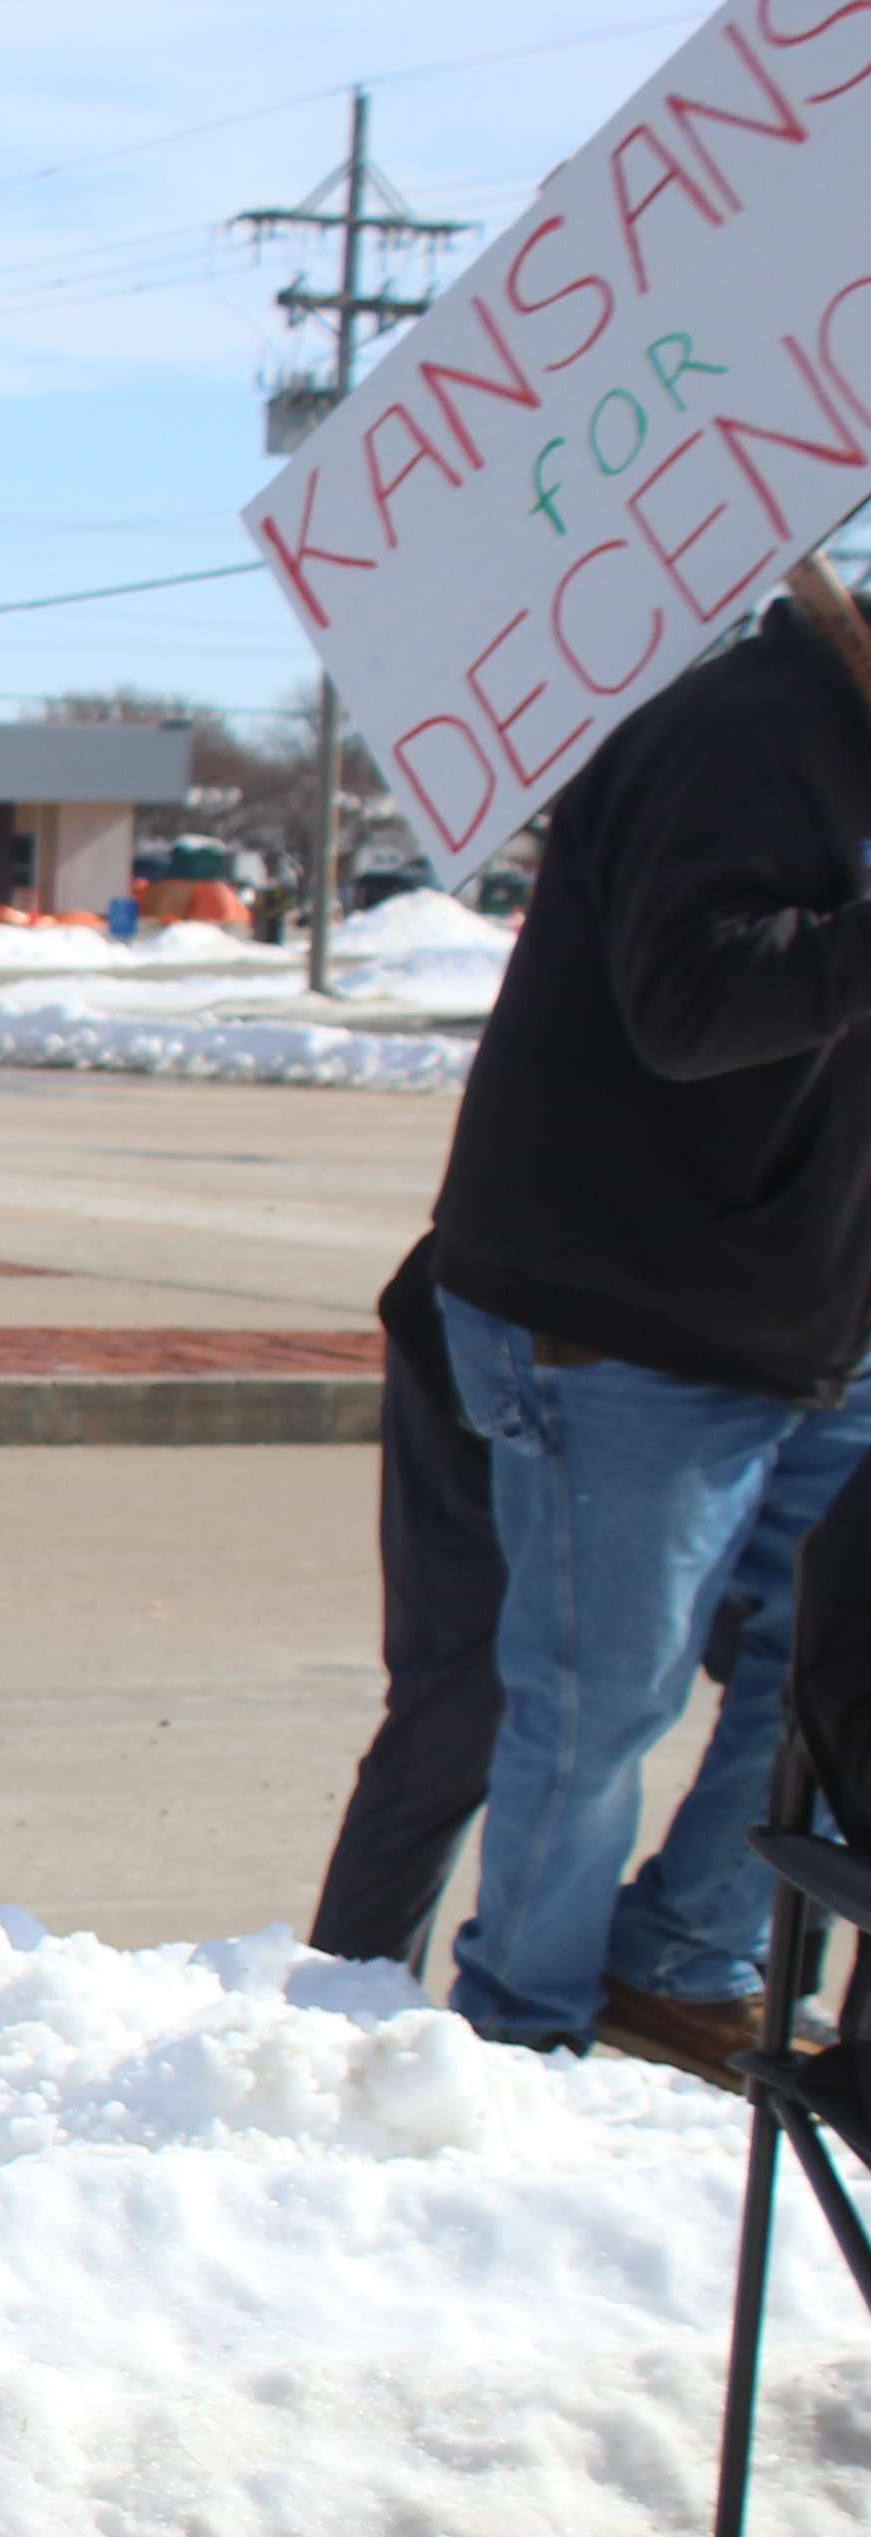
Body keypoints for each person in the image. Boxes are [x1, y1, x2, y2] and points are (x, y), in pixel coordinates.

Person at [419, 554, 871, 2073]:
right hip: (621, 1315)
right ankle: (522, 2023)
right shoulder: (744, 734)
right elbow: (696, 1005)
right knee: (606, 1698)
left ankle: (683, 1952)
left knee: (839, 1668)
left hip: (809, 1313)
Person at [305, 1238, 501, 1976]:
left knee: (799, 1691)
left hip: (745, 1347)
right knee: (462, 1702)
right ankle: (348, 2005)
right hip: (510, 1318)